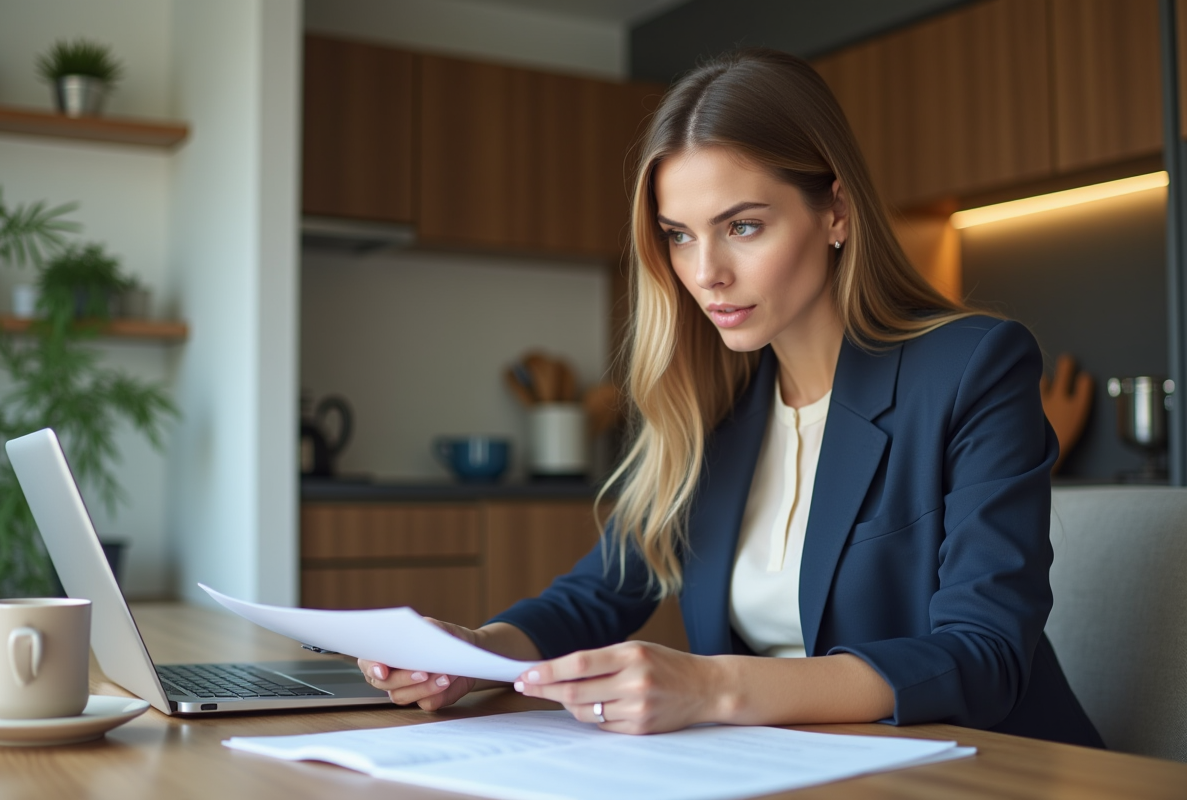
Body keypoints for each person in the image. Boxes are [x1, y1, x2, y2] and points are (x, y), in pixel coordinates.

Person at [358, 48, 1103, 748]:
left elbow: (983, 656)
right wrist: (474, 653)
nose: (706, 271)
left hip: (987, 770)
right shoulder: (710, 403)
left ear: (835, 211)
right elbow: (595, 597)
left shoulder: (972, 367)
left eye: (742, 226)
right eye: (678, 235)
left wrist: (712, 686)